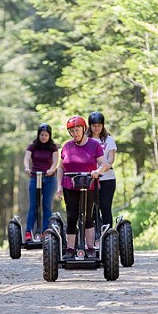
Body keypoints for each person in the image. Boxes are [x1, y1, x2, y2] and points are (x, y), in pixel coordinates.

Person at [56, 115, 110, 259]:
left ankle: (90, 248)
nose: (75, 133)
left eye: (77, 130)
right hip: (70, 185)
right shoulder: (67, 146)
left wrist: (98, 171)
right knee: (72, 216)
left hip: (89, 185)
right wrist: (59, 186)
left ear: (83, 129)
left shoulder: (94, 145)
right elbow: (60, 168)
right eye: (72, 131)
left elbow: (105, 164)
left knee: (87, 217)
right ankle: (70, 249)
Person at [23, 123, 59, 241]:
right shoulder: (32, 146)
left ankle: (45, 232)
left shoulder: (53, 147)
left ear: (49, 136)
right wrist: (27, 168)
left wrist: (51, 170)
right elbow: (27, 158)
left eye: (46, 135)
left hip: (49, 178)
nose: (44, 137)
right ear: (38, 135)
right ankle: (29, 232)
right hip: (35, 176)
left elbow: (55, 162)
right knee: (33, 205)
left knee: (46, 205)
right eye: (42, 134)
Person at [87, 111, 117, 228]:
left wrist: (107, 164)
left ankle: (108, 235)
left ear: (103, 126)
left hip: (107, 177)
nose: (96, 128)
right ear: (90, 126)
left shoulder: (109, 139)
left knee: (105, 206)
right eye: (94, 126)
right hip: (90, 179)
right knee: (90, 208)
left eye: (99, 125)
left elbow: (111, 156)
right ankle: (91, 235)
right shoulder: (86, 140)